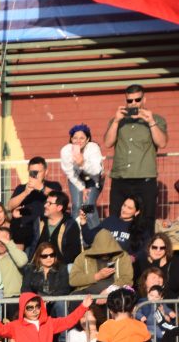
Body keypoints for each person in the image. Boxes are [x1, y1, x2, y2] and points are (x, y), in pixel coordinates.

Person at [102, 84, 168, 237]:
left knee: (147, 217)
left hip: (144, 179)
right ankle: (117, 252)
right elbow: (107, 143)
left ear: (144, 99)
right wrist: (116, 121)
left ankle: (145, 255)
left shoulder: (156, 119)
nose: (133, 104)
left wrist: (151, 121)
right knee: (115, 217)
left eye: (137, 100)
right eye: (129, 101)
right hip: (120, 178)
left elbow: (162, 143)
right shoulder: (117, 120)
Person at [8, 157, 64, 250]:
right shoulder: (21, 188)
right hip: (25, 232)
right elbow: (10, 206)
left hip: (45, 231)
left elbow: (59, 198)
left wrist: (41, 188)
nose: (35, 175)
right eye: (32, 172)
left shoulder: (53, 185)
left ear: (46, 172)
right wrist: (25, 192)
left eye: (38, 172)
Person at [60, 124, 105, 225]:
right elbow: (69, 172)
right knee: (76, 205)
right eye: (75, 138)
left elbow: (97, 171)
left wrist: (83, 163)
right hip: (76, 178)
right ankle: (76, 235)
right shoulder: (66, 151)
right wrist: (81, 187)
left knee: (88, 206)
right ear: (71, 139)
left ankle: (95, 235)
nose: (78, 141)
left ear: (88, 139)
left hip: (94, 179)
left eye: (82, 138)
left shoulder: (93, 148)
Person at [80, 194, 148, 258]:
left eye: (129, 208)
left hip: (125, 265)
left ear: (137, 212)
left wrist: (133, 258)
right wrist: (83, 222)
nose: (124, 210)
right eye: (124, 205)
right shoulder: (111, 221)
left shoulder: (140, 228)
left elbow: (144, 250)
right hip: (105, 264)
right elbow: (88, 238)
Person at [70, 229, 134, 294]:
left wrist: (109, 291)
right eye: (101, 252)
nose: (105, 254)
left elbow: (127, 279)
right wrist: (97, 276)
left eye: (108, 251)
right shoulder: (83, 257)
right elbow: (73, 280)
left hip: (114, 294)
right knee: (73, 299)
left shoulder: (123, 256)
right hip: (87, 294)